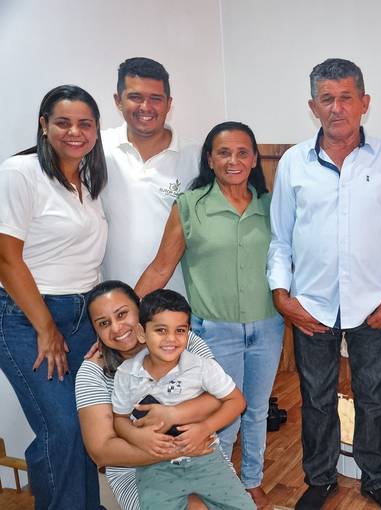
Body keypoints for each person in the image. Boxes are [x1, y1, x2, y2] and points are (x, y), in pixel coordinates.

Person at [268, 58, 381, 510]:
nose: (336, 108)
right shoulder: (294, 163)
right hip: (311, 306)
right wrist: (283, 297)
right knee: (316, 399)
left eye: (346, 98)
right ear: (313, 106)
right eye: (326, 99)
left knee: (373, 398)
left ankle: (376, 479)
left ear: (364, 102)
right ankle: (320, 480)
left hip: (374, 305)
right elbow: (280, 238)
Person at [135, 121, 282, 507]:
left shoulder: (271, 206)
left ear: (255, 159)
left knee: (257, 409)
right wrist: (125, 317)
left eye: (242, 152)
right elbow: (161, 267)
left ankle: (252, 479)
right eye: (224, 152)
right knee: (222, 412)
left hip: (268, 326)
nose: (234, 160)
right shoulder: (190, 205)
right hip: (215, 331)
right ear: (210, 159)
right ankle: (221, 483)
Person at [0, 85, 107, 509]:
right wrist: (45, 328)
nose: (75, 132)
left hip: (81, 317)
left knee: (84, 422)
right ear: (44, 125)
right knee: (61, 427)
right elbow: (6, 259)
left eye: (85, 124)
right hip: (28, 317)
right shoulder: (20, 172)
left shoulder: (87, 180)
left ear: (96, 131)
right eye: (63, 122)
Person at [77, 280, 222, 510]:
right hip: (135, 468)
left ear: (141, 309)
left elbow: (220, 398)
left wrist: (173, 415)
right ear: (96, 330)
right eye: (104, 323)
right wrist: (177, 450)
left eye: (122, 314)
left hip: (200, 455)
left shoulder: (178, 339)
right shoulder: (92, 372)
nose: (116, 328)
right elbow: (101, 451)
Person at [111, 289, 255, 510]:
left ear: (188, 332)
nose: (171, 338)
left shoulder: (201, 367)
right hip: (155, 466)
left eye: (180, 330)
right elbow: (119, 419)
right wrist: (136, 436)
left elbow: (237, 401)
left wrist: (205, 427)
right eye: (161, 330)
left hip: (206, 459)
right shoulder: (126, 373)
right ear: (141, 332)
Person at [100, 57, 200, 295]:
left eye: (156, 98)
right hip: (110, 299)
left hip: (178, 301)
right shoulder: (97, 148)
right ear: (118, 100)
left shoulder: (196, 157)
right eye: (135, 97)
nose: (146, 107)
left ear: (169, 104)